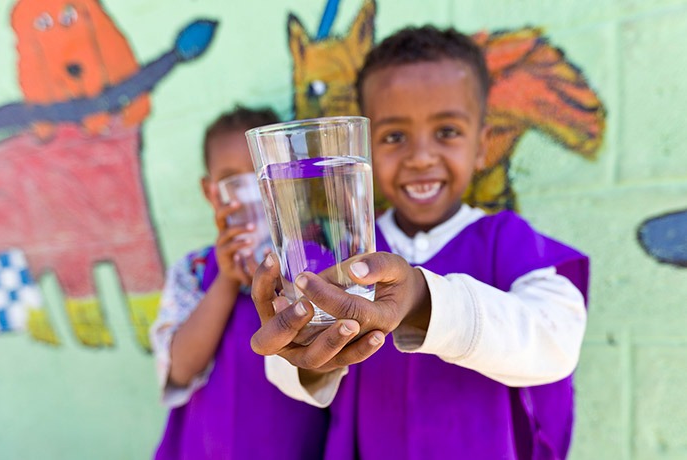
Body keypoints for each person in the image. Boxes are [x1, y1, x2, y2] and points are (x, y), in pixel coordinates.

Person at [249, 26, 589, 459]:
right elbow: (301, 376)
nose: (421, 157)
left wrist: (423, 300)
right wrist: (300, 353)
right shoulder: (346, 249)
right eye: (394, 137)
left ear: (483, 146)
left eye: (447, 131)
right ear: (366, 151)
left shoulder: (507, 239)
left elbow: (555, 341)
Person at [150, 107, 329, 459]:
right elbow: (181, 370)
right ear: (210, 191)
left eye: (261, 177)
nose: (250, 194)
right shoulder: (194, 270)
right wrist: (226, 280)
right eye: (232, 179)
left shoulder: (318, 262)